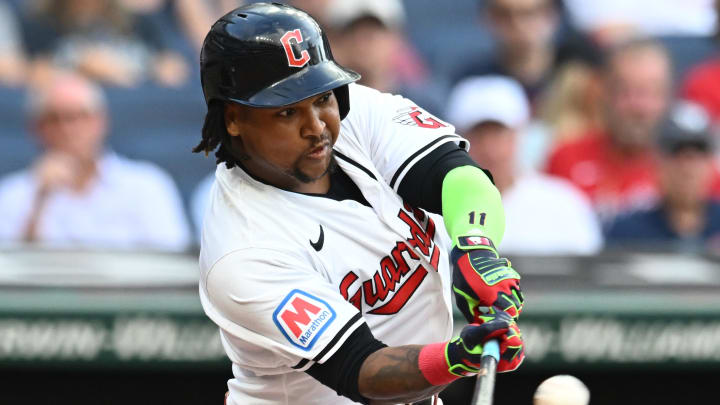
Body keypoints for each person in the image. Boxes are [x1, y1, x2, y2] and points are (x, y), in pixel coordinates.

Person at [194, 4, 525, 404]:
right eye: (286, 110)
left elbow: (457, 173)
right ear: (233, 118)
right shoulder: (242, 251)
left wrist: (476, 245)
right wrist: (458, 357)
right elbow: (362, 371)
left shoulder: (355, 113)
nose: (316, 126)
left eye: (321, 98)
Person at [0, 72, 191, 251]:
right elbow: (12, 274)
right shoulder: (13, 194)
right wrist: (40, 202)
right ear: (37, 129)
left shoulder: (147, 186)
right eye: (54, 119)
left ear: (101, 122)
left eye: (80, 116)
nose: (68, 129)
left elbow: (170, 264)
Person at [446, 75, 602, 255]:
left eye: (499, 134)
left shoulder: (564, 204)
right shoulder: (432, 212)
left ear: (519, 135)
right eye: (478, 135)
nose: (490, 149)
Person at [545, 37, 672, 223]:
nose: (638, 107)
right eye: (626, 92)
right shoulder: (566, 158)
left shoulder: (691, 167)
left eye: (651, 92)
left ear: (668, 96)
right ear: (604, 93)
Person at [606, 102, 720, 253]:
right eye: (676, 154)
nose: (687, 168)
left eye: (697, 155)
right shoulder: (627, 233)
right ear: (657, 163)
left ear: (711, 163)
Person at [450, 0, 601, 108]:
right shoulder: (473, 81)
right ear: (488, 18)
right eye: (505, 14)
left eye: (530, 13)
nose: (518, 24)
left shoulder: (583, 73)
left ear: (553, 15)